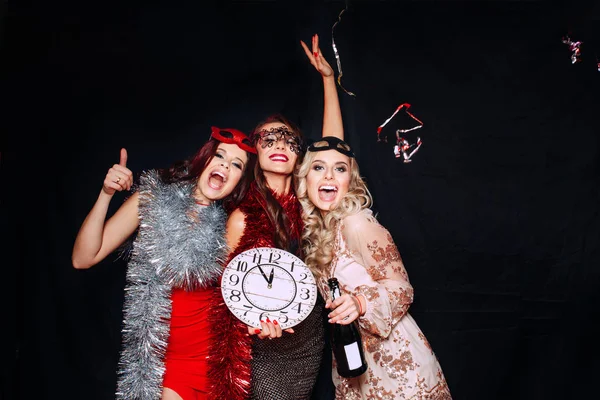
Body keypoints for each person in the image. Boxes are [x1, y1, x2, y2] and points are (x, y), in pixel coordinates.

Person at [71, 127, 257, 400]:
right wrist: (106, 193)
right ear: (204, 158)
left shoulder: (235, 223)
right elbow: (83, 258)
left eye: (236, 164)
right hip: (162, 363)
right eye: (219, 155)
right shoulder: (151, 200)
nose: (224, 166)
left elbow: (246, 294)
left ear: (240, 179)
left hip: (215, 365)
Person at [207, 34, 341, 400]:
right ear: (255, 152)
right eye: (268, 139)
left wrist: (328, 80)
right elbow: (227, 293)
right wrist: (255, 323)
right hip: (263, 343)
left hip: (309, 334)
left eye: (288, 140)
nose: (280, 145)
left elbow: (334, 151)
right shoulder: (241, 217)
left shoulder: (312, 199)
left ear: (299, 155)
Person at [295, 136, 453, 399]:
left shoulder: (357, 223)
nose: (329, 176)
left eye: (340, 169)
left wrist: (360, 303)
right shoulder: (321, 231)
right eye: (319, 167)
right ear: (306, 178)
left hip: (398, 365)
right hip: (354, 366)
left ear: (350, 181)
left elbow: (403, 289)